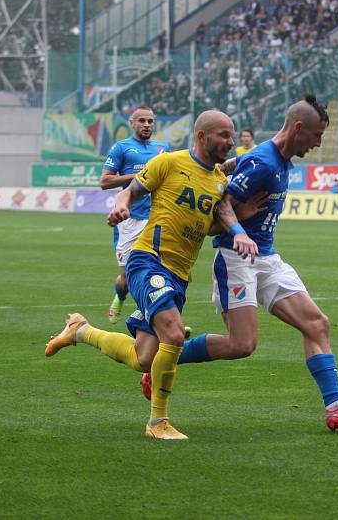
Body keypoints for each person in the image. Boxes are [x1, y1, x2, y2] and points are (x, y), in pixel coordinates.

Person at [145, 94, 338, 432]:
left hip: (266, 256)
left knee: (317, 324)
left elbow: (228, 172)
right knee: (242, 345)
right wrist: (240, 228)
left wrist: (229, 169)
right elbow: (220, 207)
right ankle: (163, 362)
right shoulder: (264, 164)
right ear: (298, 127)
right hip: (236, 257)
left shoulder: (274, 161)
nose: (318, 143)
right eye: (317, 135)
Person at [45, 110, 259, 441]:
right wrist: (121, 206)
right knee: (173, 335)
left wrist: (239, 229)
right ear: (202, 137)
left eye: (232, 136)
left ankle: (80, 330)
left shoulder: (218, 181)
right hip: (148, 260)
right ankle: (157, 421)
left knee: (144, 358)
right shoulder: (168, 162)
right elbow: (128, 191)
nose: (230, 142)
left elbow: (216, 217)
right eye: (224, 135)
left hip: (180, 275)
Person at [101, 106, 171, 324]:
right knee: (127, 278)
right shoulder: (121, 148)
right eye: (142, 121)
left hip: (157, 218)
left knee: (162, 271)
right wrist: (139, 176)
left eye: (150, 121)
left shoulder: (163, 148)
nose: (147, 125)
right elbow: (105, 181)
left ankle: (160, 316)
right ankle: (120, 298)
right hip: (130, 220)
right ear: (132, 122)